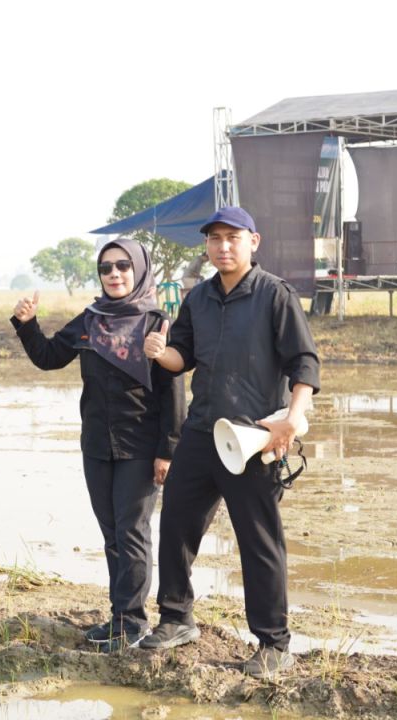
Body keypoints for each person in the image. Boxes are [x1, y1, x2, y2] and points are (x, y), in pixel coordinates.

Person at [140, 206, 320, 679]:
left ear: (253, 242)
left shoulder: (275, 295)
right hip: (202, 433)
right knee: (176, 525)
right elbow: (183, 358)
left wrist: (290, 421)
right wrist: (161, 355)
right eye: (215, 238)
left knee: (259, 541)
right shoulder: (198, 297)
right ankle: (177, 618)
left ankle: (273, 643)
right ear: (207, 245)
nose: (223, 246)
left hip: (253, 437)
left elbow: (305, 364)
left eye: (233, 238)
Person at [11, 238, 183, 651]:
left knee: (132, 533)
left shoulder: (155, 321)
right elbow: (51, 357)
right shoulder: (90, 320)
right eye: (106, 268)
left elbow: (173, 392)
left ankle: (134, 621)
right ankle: (119, 617)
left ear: (139, 269)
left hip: (140, 446)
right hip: (97, 445)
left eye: (123, 266)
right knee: (111, 534)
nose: (114, 274)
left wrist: (167, 450)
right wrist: (28, 324)